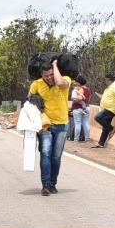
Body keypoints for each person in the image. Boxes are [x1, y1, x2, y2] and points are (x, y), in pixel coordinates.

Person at [28, 60, 73, 195]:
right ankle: (46, 185)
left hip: (62, 125)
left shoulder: (65, 80)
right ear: (41, 75)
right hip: (45, 125)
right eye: (46, 75)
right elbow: (29, 99)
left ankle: (53, 183)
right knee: (46, 153)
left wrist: (54, 65)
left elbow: (59, 83)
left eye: (51, 74)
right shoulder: (37, 84)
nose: (49, 77)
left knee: (56, 157)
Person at [95, 73, 115, 147]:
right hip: (107, 108)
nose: (105, 81)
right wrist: (101, 97)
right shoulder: (110, 87)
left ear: (108, 80)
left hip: (112, 109)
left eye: (106, 80)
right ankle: (101, 143)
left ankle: (111, 129)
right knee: (105, 127)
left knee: (98, 117)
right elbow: (109, 96)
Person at [69, 76, 92, 143]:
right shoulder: (87, 89)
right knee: (86, 123)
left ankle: (76, 139)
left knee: (77, 123)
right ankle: (87, 138)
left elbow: (79, 98)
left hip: (78, 108)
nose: (75, 83)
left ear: (79, 82)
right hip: (87, 107)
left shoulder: (80, 89)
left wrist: (73, 99)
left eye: (76, 81)